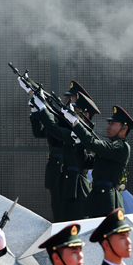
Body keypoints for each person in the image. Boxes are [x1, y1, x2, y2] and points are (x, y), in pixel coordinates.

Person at [29, 86, 99, 221]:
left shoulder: (82, 133)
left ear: (86, 114)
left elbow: (54, 130)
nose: (66, 102)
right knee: (60, 220)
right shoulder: (68, 126)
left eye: (70, 100)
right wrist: (37, 110)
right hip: (64, 182)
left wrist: (43, 108)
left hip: (74, 185)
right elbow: (48, 134)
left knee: (74, 225)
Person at [66, 106, 133, 218]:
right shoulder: (109, 148)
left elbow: (92, 143)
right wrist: (78, 143)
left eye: (112, 124)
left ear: (124, 128)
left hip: (109, 200)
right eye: (109, 123)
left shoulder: (122, 147)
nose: (108, 127)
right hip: (96, 197)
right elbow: (85, 163)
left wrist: (76, 122)